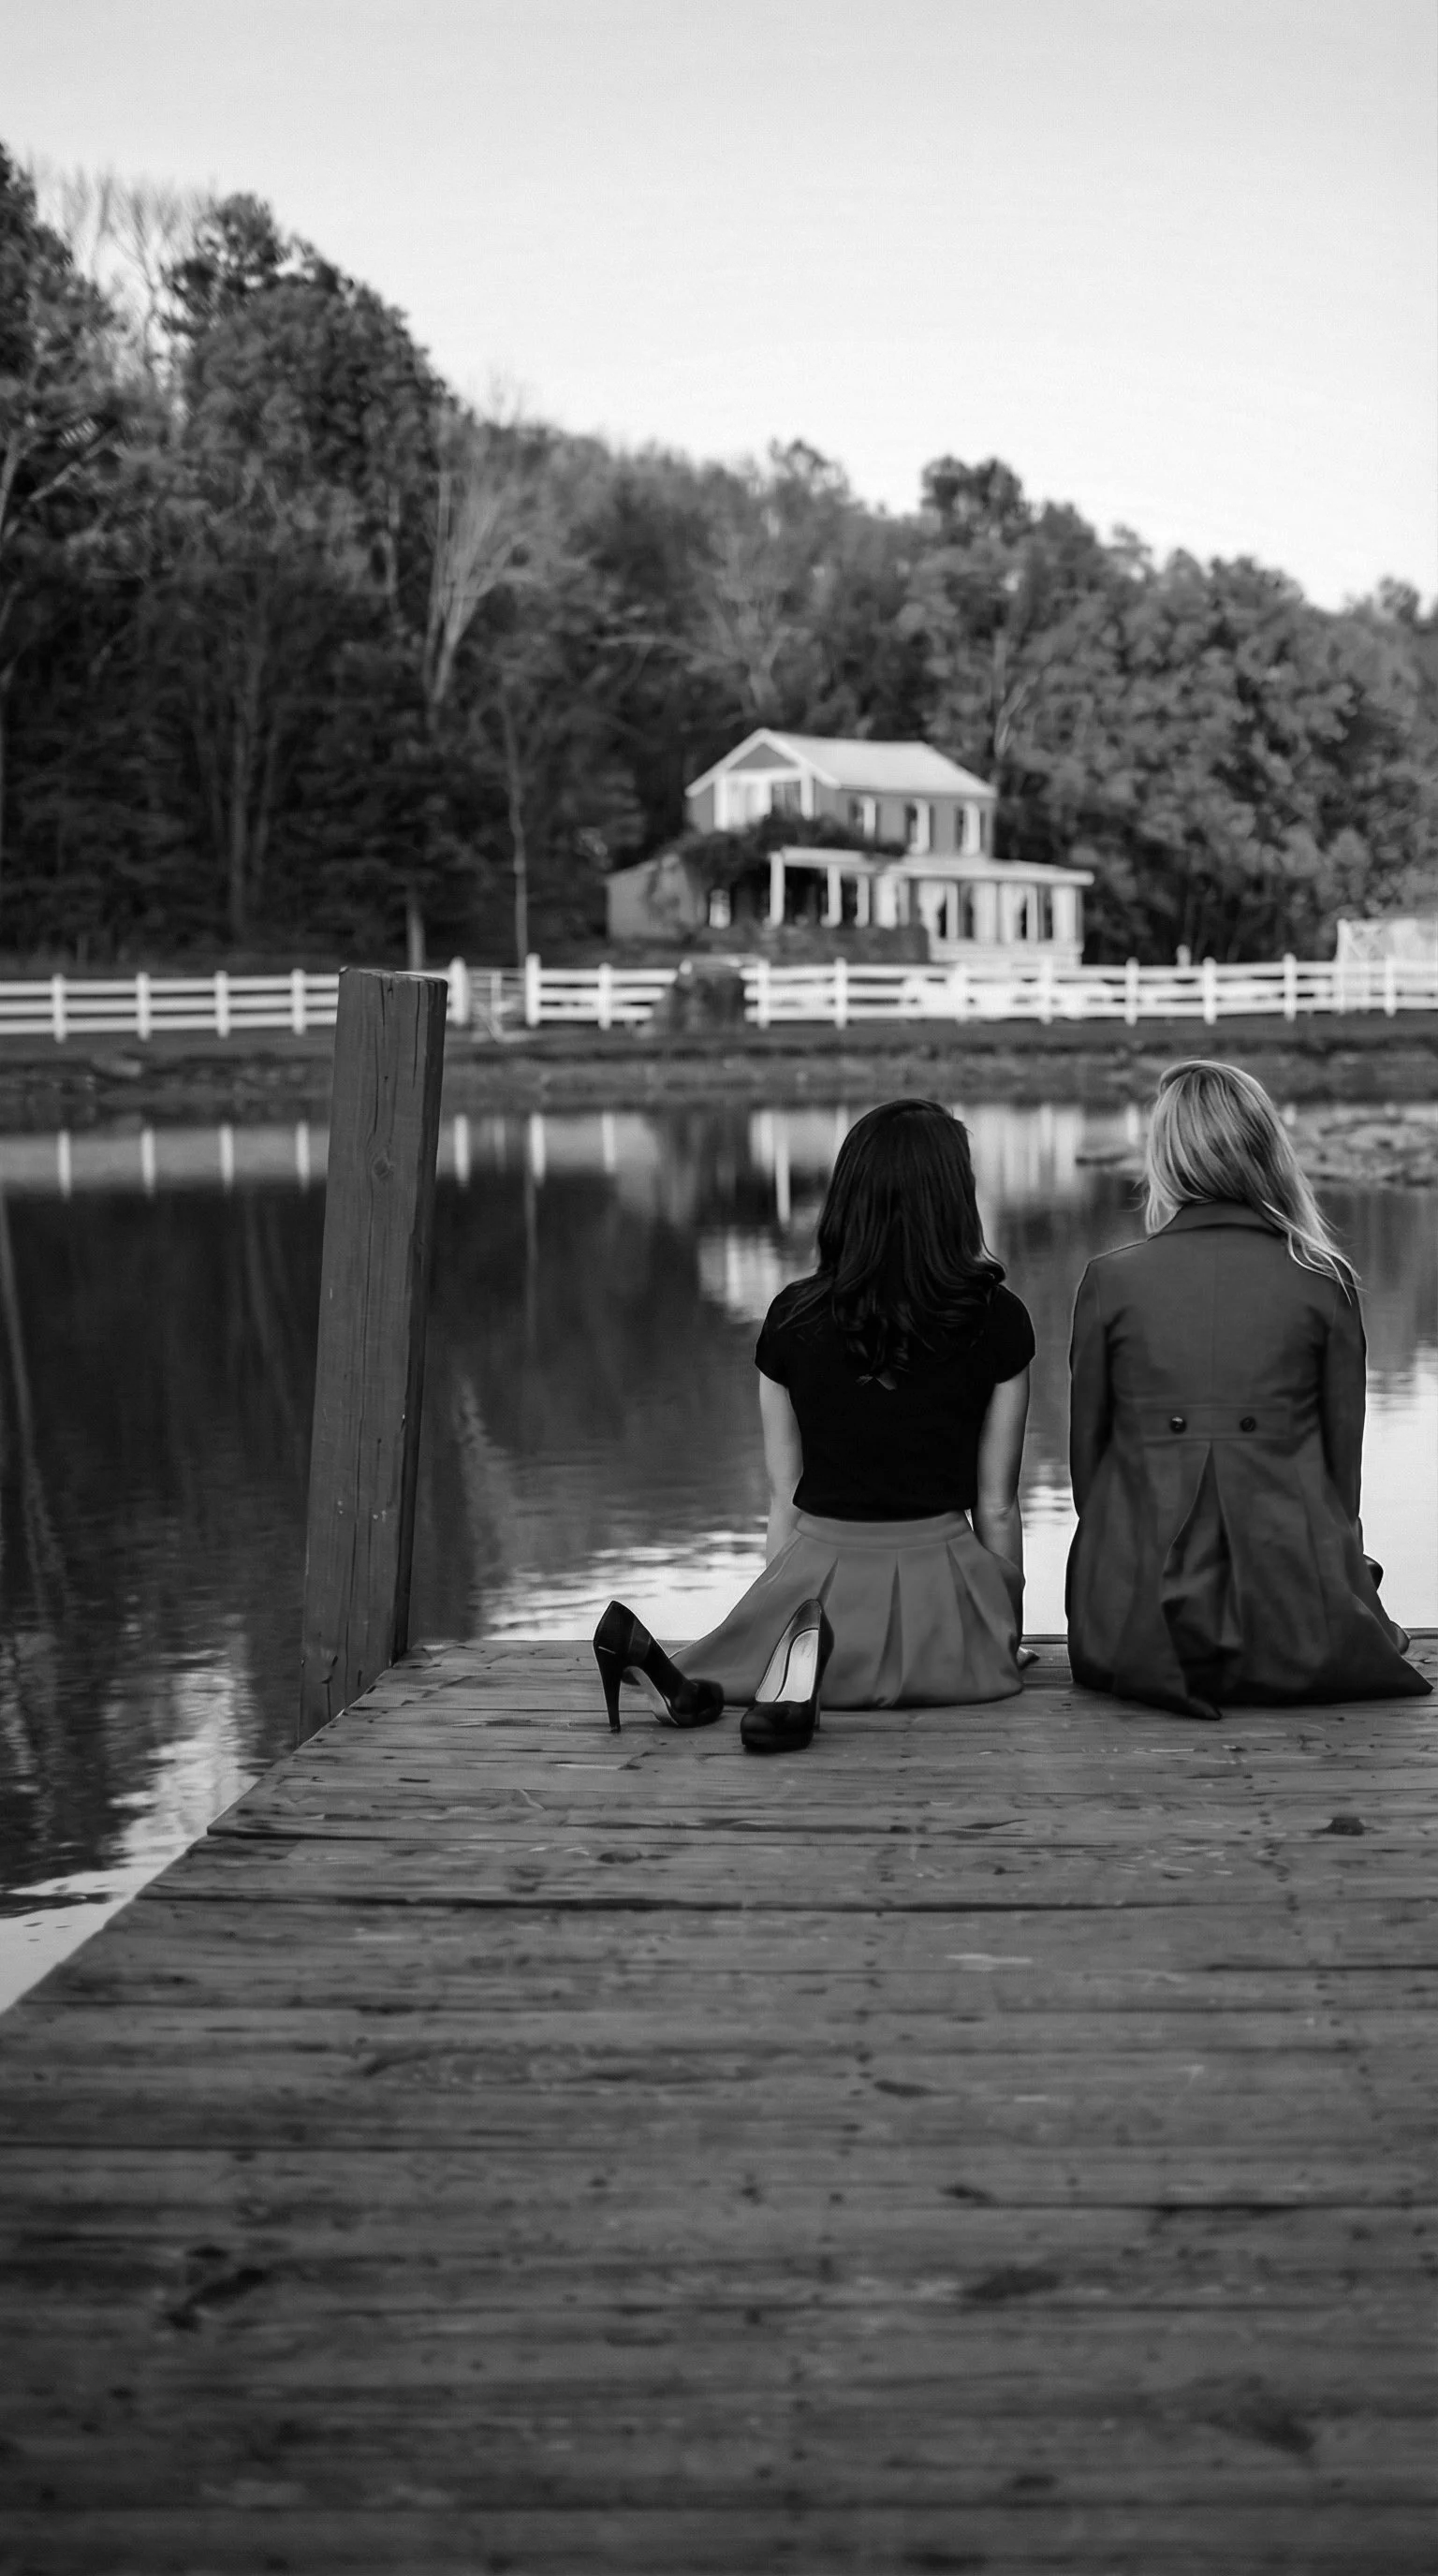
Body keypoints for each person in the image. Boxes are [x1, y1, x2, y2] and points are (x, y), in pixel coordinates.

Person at [1066, 1059, 1430, 1720]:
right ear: (1266, 1149)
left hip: (1132, 1626)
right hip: (1294, 1618)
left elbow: (1090, 1476)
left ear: (1168, 1156)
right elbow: (1340, 1477)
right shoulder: (1323, 1280)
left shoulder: (1109, 1281)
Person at [671, 1097, 1034, 1749]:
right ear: (956, 1197)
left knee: (733, 1670)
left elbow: (784, 1495)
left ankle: (796, 1673)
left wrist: (773, 1619)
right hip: (944, 1605)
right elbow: (999, 1508)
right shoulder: (997, 1317)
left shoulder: (790, 1317)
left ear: (848, 1197)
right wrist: (1002, 1635)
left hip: (819, 1597)